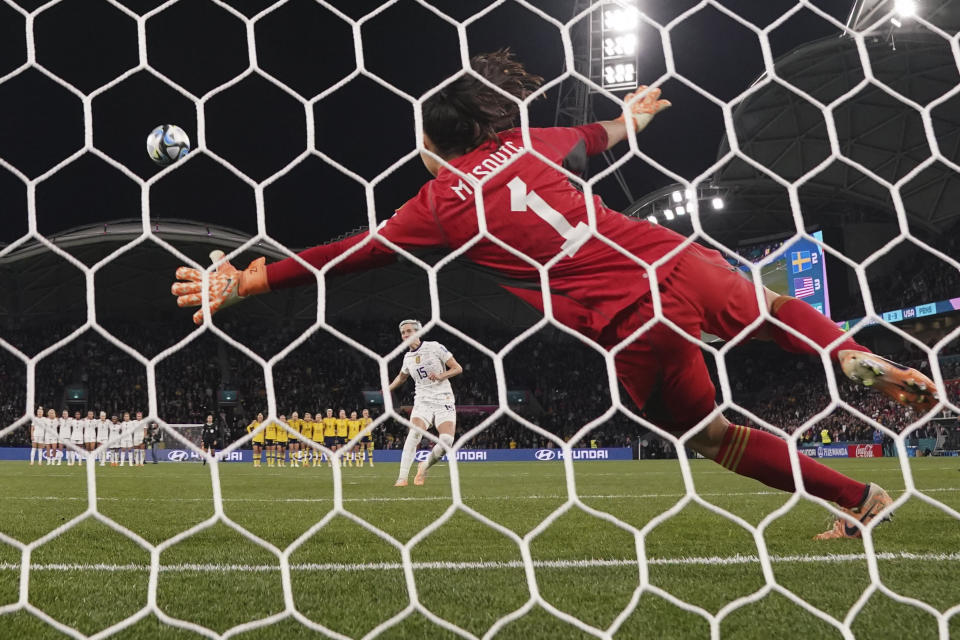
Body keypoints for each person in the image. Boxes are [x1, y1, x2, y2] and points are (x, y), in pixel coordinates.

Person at [172, 50, 937, 539]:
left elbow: (344, 256)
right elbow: (599, 137)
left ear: (433, 146)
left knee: (712, 437)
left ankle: (858, 498)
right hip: (677, 259)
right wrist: (632, 116)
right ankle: (854, 352)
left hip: (638, 322)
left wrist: (247, 278)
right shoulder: (529, 142)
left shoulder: (434, 208)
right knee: (771, 312)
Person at [387, 319, 463, 487]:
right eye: (403, 333)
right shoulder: (407, 357)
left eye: (409, 331)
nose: (405, 335)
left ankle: (424, 465)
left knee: (446, 441)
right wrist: (387, 389)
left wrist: (441, 376)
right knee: (414, 432)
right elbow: (402, 376)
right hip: (422, 400)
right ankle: (402, 478)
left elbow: (457, 368)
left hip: (443, 398)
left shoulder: (434, 347)